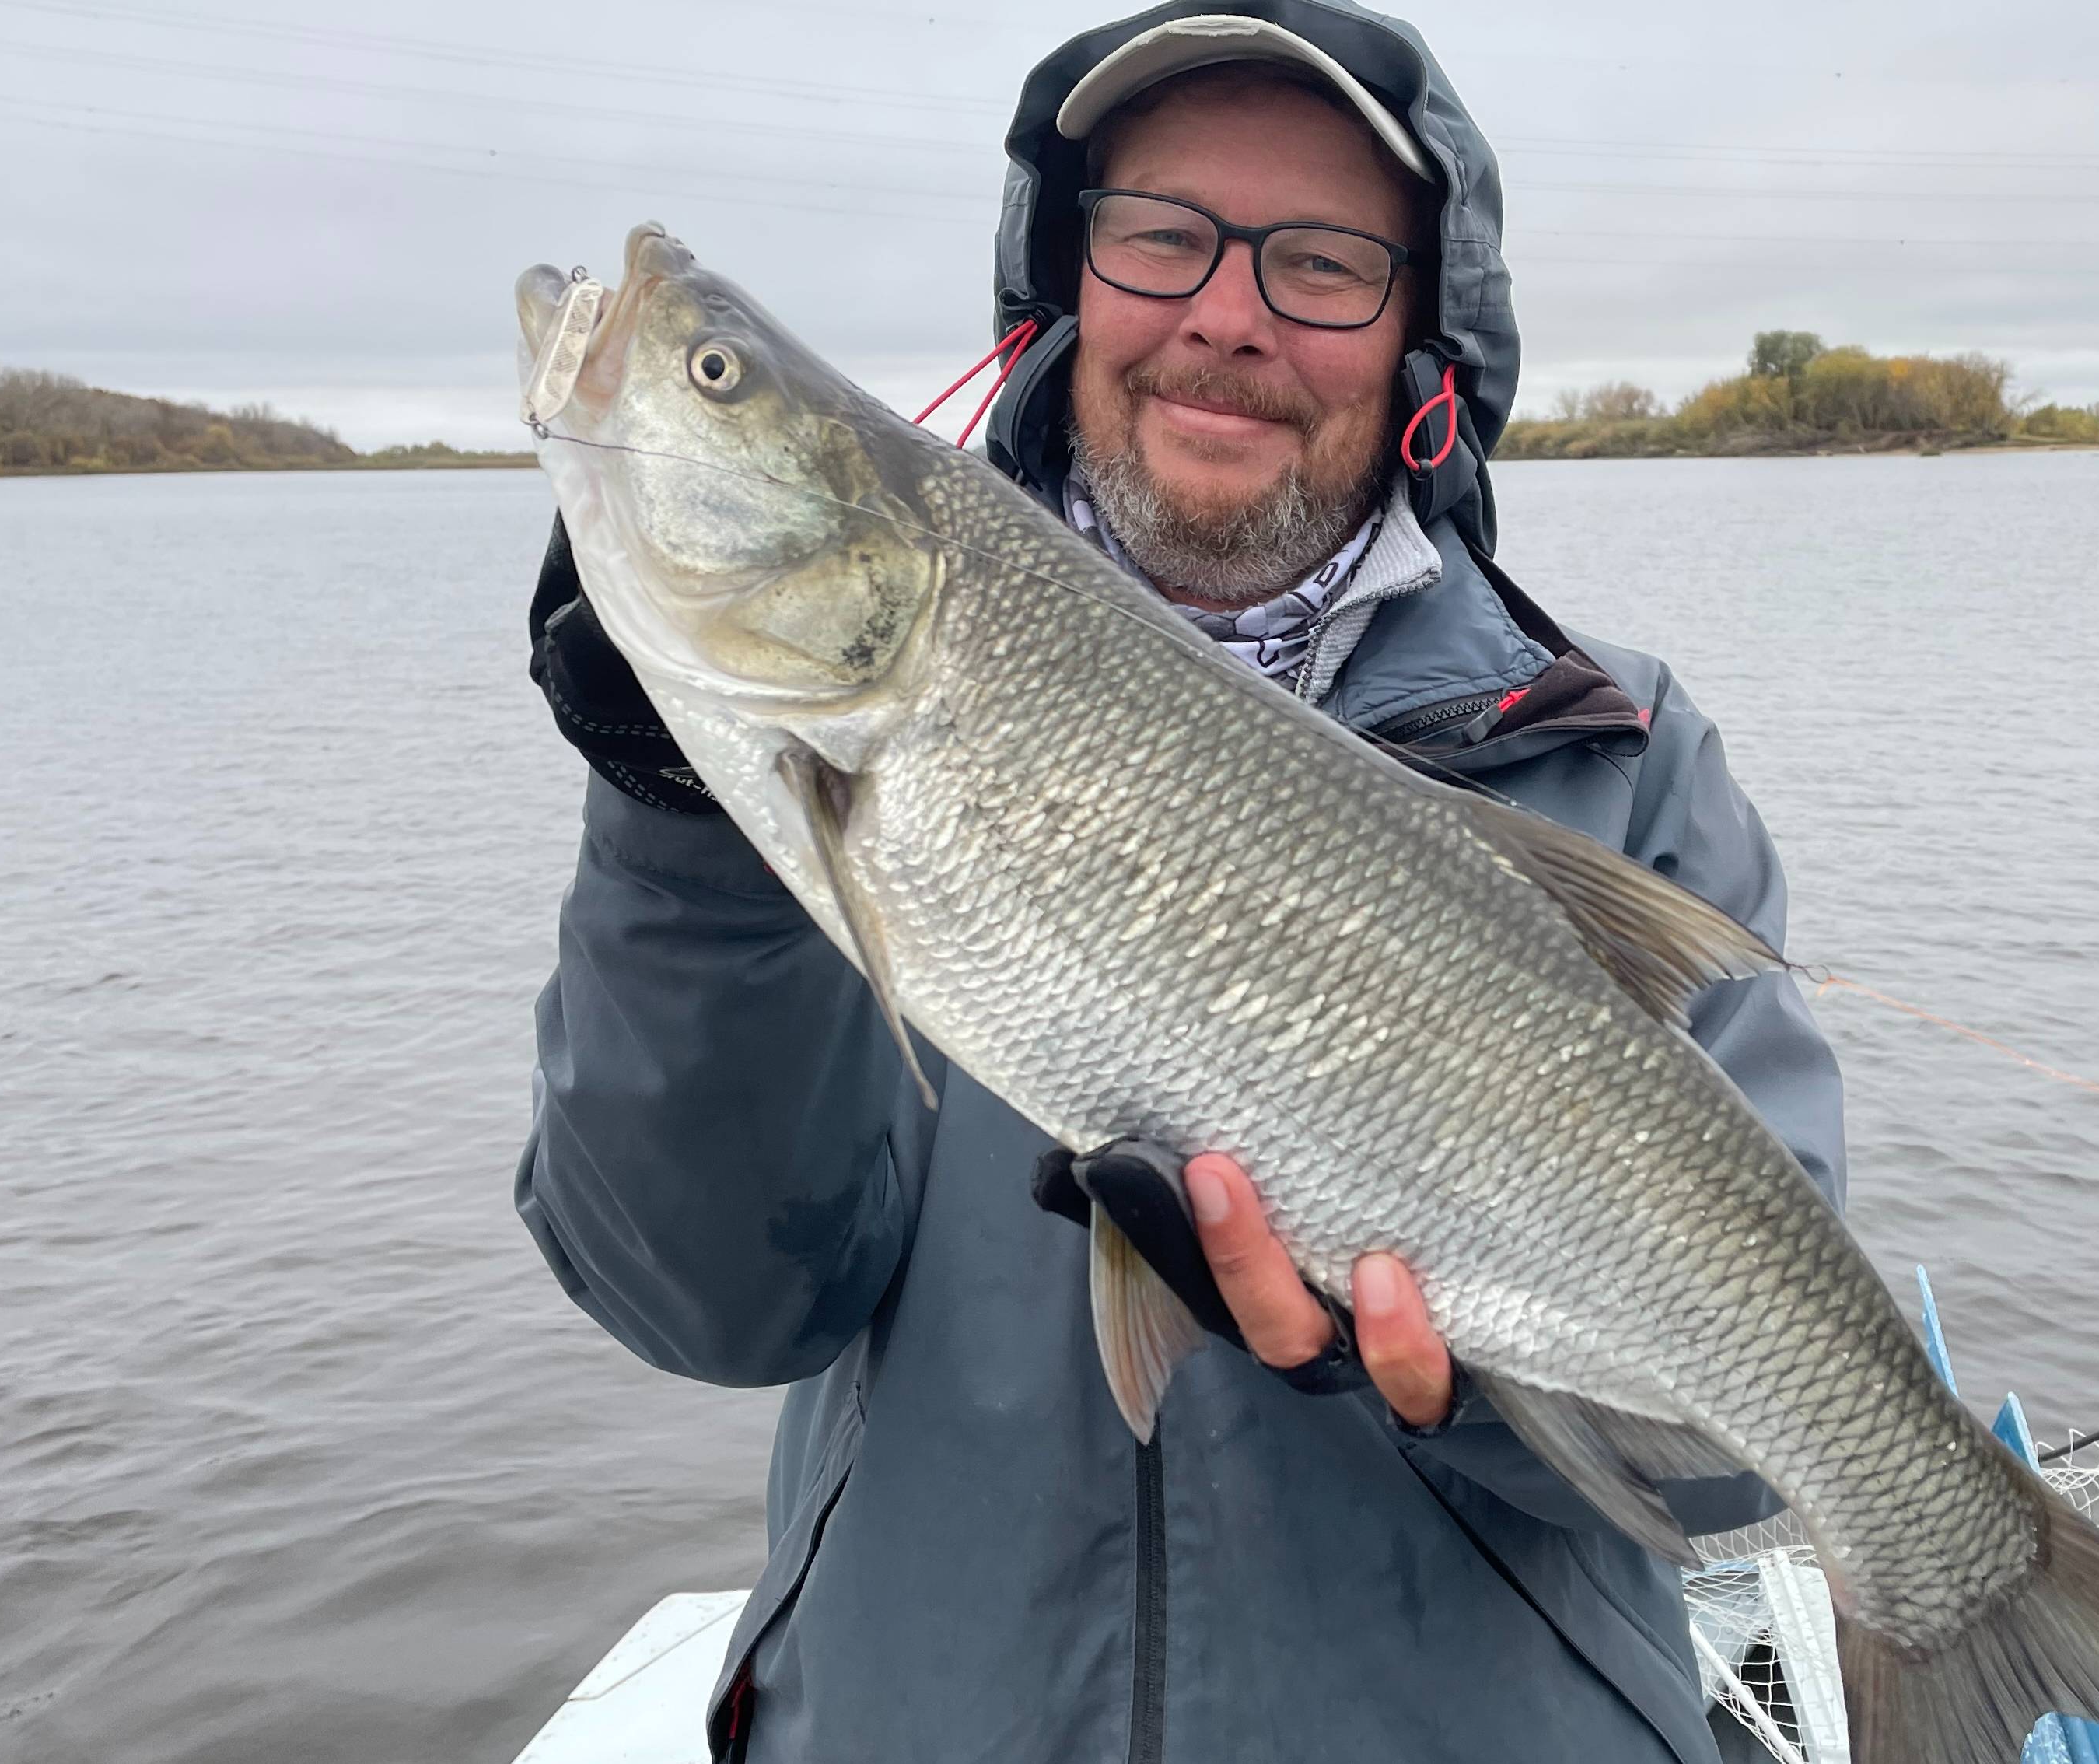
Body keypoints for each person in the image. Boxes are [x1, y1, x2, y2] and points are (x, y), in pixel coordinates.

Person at [517, 4, 1846, 1759]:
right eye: (1162, 236)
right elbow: (708, 1300)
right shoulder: (838, 733)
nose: (1226, 314)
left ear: (1422, 334)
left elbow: (1755, 1444)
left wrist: (1464, 1384)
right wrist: (683, 822)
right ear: (1068, 278)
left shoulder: (1622, 756)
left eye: (1321, 262)